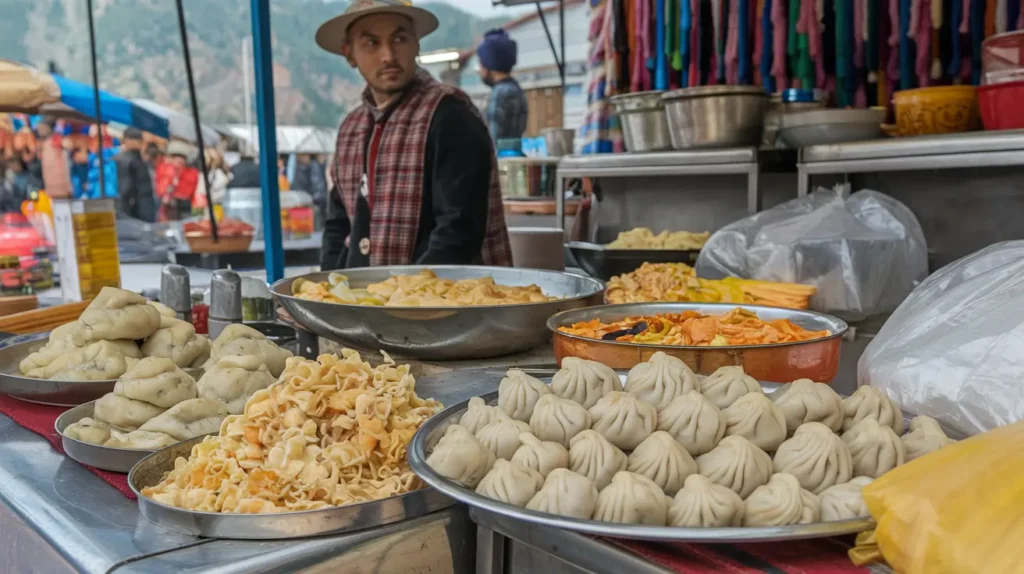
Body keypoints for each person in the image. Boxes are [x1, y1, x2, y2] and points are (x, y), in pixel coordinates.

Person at [313, 0, 512, 269]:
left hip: (443, 301)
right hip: (364, 303)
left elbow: (459, 231)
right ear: (349, 54)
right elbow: (339, 223)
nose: (388, 55)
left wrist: (401, 298)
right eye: (371, 43)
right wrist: (326, 292)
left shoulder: (449, 113)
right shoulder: (352, 127)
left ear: (416, 43)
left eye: (399, 38)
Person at [476, 29, 528, 143]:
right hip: (514, 156)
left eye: (480, 64)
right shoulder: (517, 89)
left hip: (499, 159)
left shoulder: (499, 93)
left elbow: (492, 140)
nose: (479, 70)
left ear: (488, 66)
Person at [113, 128, 156, 221]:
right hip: (135, 206)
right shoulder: (130, 159)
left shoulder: (126, 158)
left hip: (136, 205)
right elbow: (126, 187)